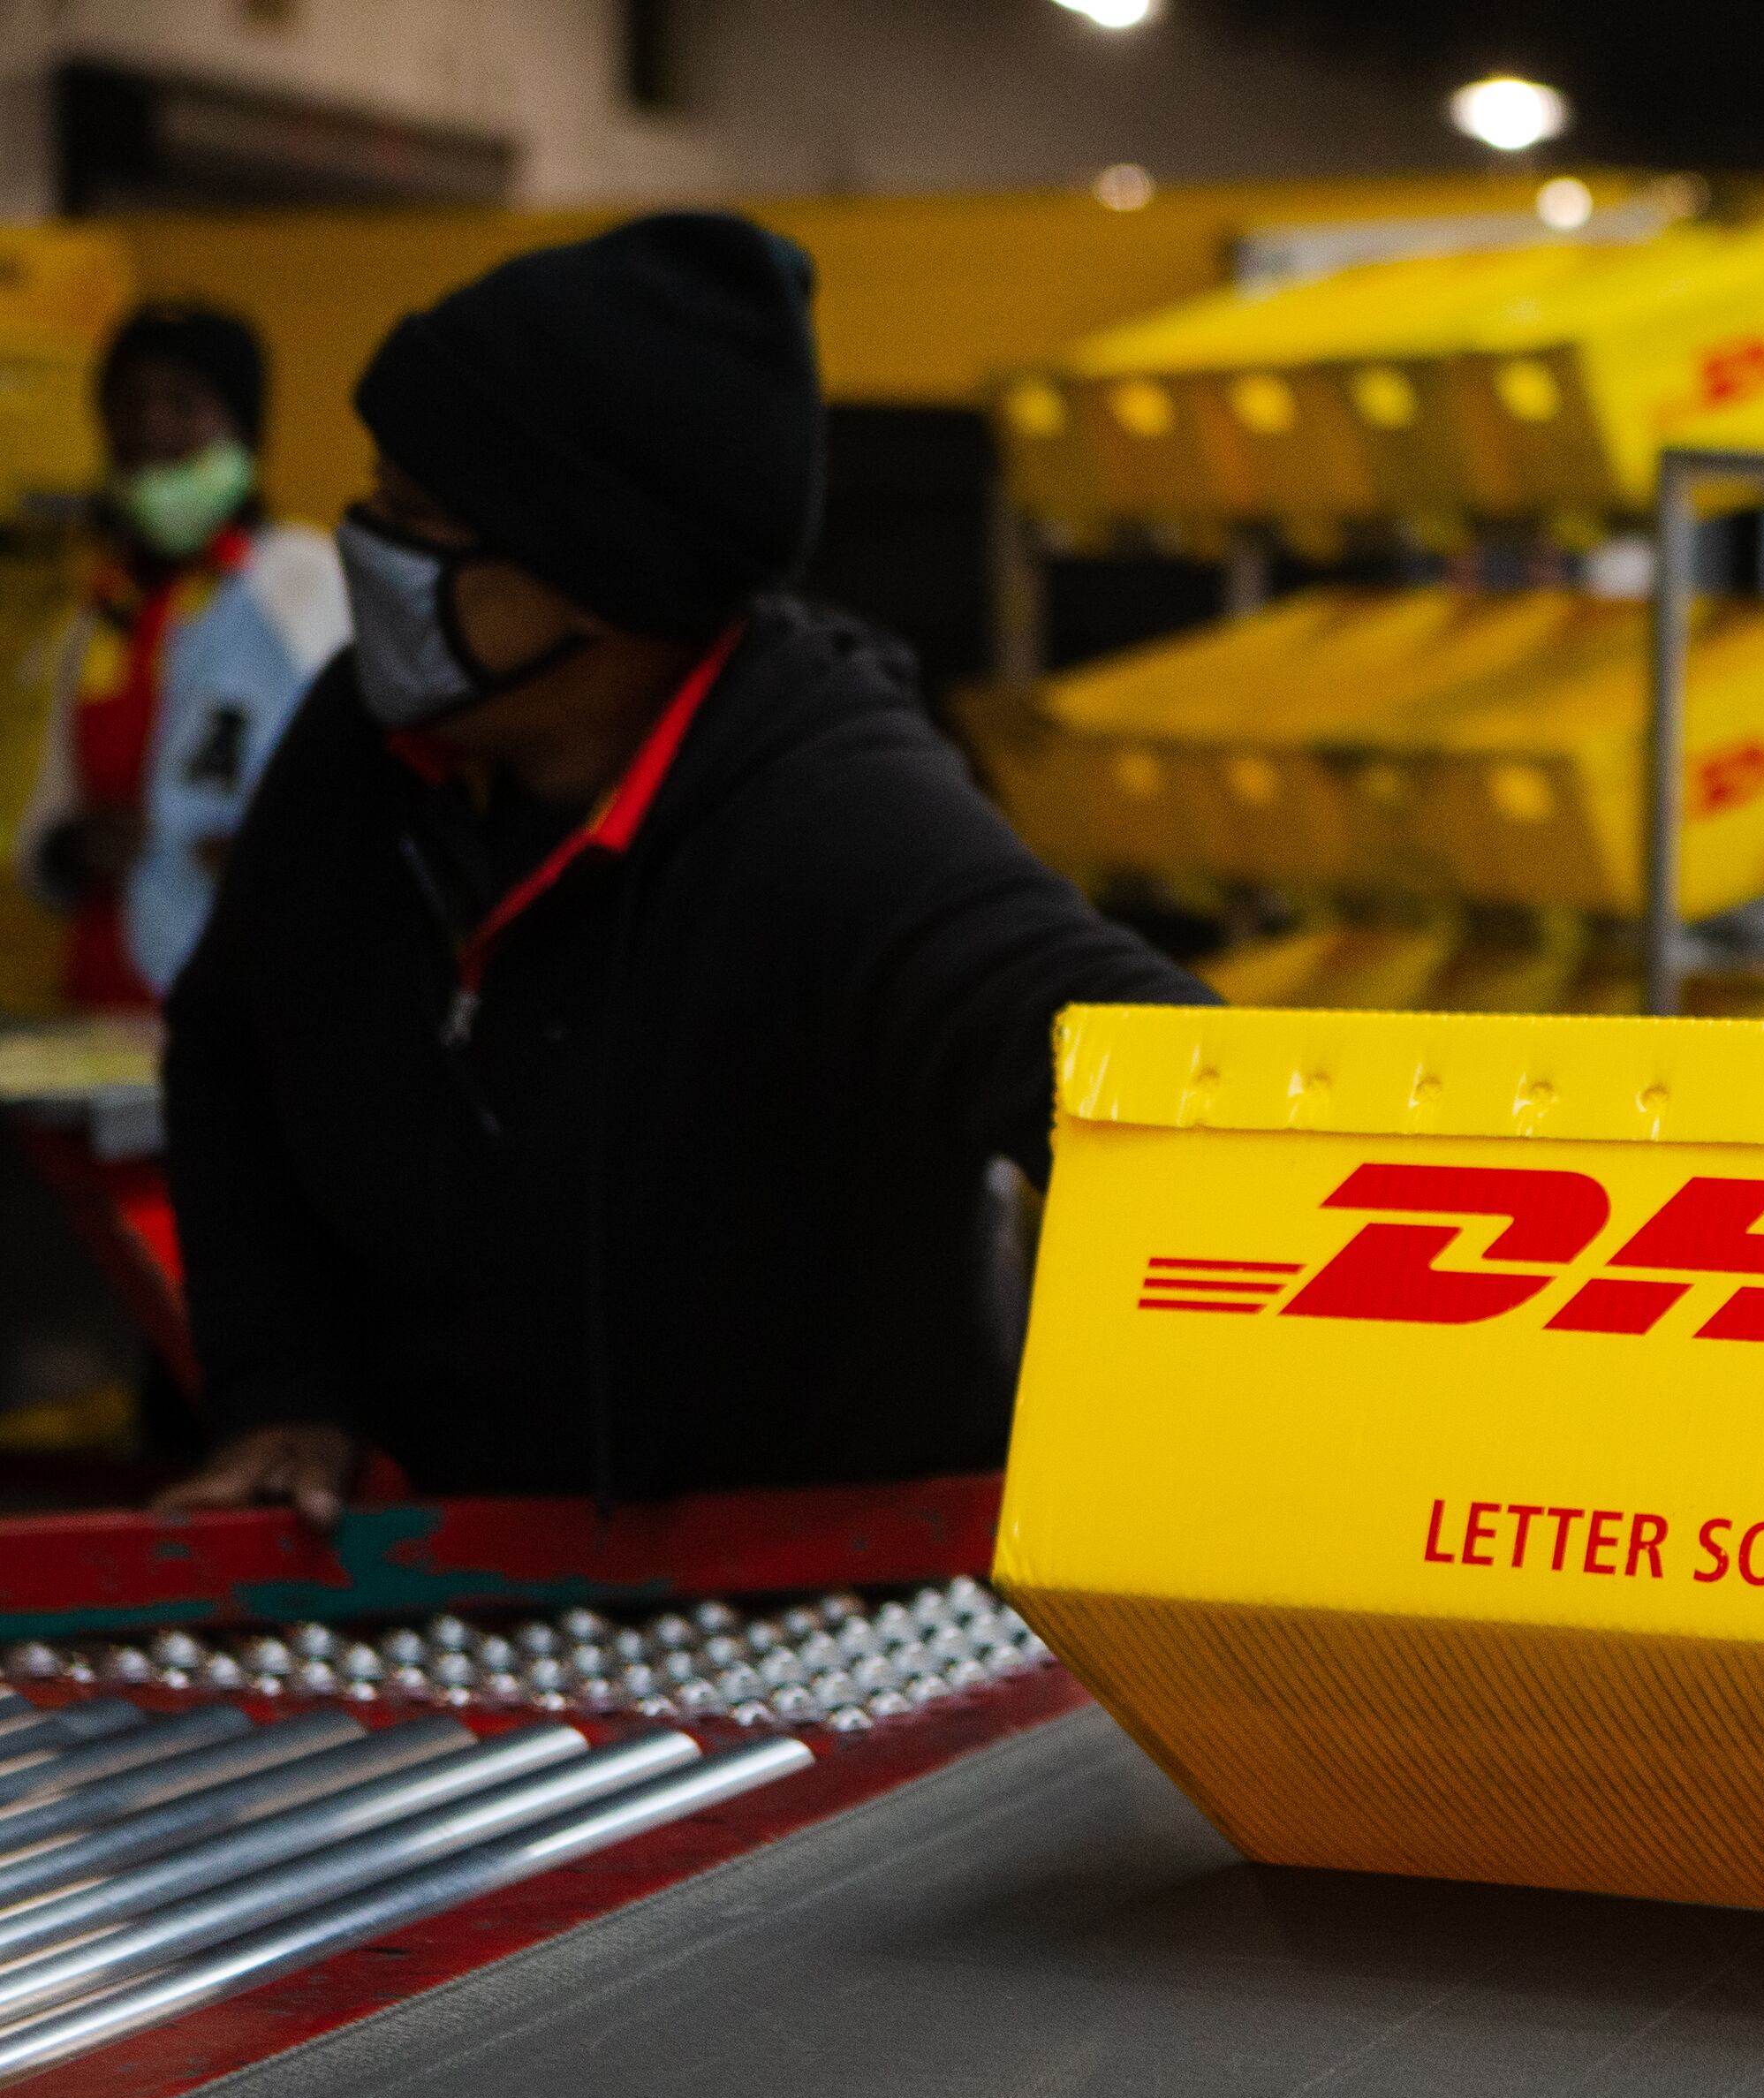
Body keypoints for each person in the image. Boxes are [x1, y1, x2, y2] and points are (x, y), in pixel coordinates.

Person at [151, 214, 1210, 1526]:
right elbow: (228, 1043)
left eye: (416, 520)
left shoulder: (839, 816)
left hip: (828, 1602)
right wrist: (283, 1388)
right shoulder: (364, 742)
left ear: (598, 579)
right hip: (478, 1582)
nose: (364, 545)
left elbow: (1172, 1103)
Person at [11, 305, 346, 1008]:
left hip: (252, 1002)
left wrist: (283, 856)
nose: (150, 427)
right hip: (106, 1006)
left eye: (184, 402)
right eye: (129, 403)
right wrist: (70, 848)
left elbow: (381, 788)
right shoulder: (95, 616)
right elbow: (36, 825)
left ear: (241, 425)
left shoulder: (308, 582)